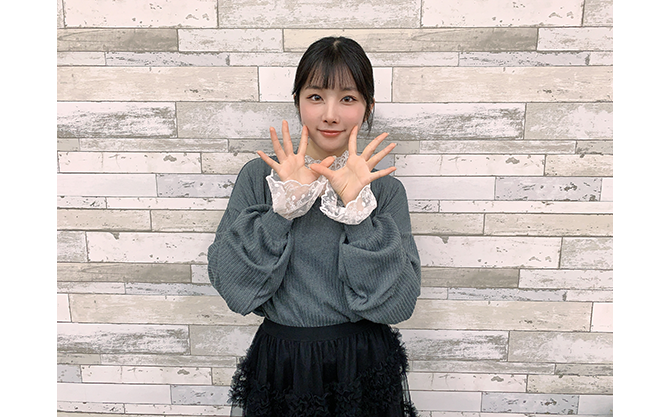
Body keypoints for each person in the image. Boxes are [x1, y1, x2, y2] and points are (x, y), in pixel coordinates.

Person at [207, 36, 421, 417]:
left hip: (363, 365)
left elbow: (399, 303)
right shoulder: (260, 178)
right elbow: (233, 287)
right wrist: (282, 211)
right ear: (298, 102)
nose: (331, 115)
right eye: (316, 96)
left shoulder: (385, 190)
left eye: (348, 98)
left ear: (368, 107)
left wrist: (358, 212)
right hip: (283, 365)